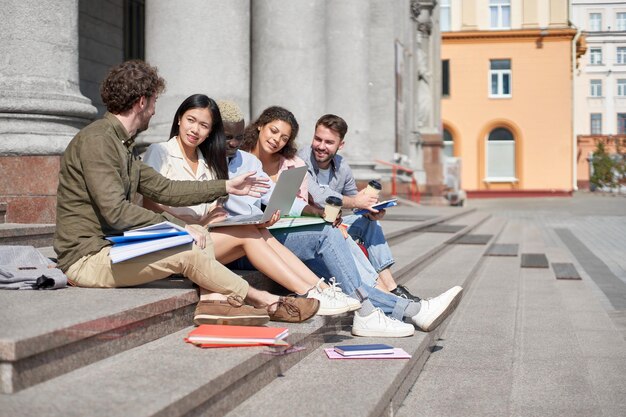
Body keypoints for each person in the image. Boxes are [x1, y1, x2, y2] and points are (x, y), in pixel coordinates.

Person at [53, 60, 319, 327]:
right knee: (189, 249)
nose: (156, 111)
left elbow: (165, 189)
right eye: (155, 101)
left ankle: (213, 303)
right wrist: (179, 227)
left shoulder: (120, 144)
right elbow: (116, 210)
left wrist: (226, 186)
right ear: (142, 102)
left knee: (199, 236)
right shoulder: (99, 140)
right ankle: (265, 301)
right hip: (87, 259)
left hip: (113, 248)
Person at [237, 105, 463, 335]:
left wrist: (314, 212)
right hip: (257, 238)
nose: (277, 140)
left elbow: (288, 202)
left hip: (284, 230)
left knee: (347, 258)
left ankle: (412, 309)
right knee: (330, 236)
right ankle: (393, 307)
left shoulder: (290, 163)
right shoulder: (242, 160)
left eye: (284, 137)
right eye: (273, 131)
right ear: (259, 126)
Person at [142, 94, 357, 316]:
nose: (196, 130)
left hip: (205, 239)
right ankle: (310, 292)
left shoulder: (205, 161)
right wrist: (189, 225)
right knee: (250, 233)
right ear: (179, 119)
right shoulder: (160, 152)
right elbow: (149, 204)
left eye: (203, 125)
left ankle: (320, 290)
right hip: (174, 242)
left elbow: (204, 209)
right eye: (191, 121)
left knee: (258, 231)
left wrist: (208, 219)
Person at [299, 114, 423, 302]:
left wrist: (370, 211)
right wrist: (357, 202)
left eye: (329, 142)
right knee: (337, 229)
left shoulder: (342, 166)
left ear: (340, 145)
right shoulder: (301, 159)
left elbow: (355, 202)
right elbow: (318, 196)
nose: (321, 146)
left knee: (370, 224)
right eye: (318, 139)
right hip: (308, 228)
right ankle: (381, 293)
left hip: (333, 223)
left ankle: (391, 287)